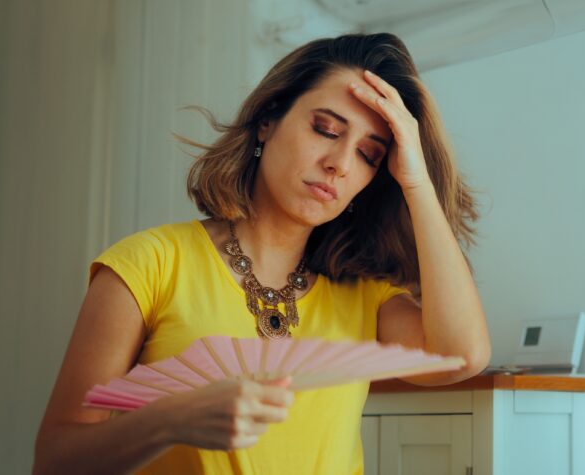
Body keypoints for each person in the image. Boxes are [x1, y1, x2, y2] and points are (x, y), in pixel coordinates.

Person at [33, 33, 491, 474]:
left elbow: (463, 356)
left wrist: (416, 180)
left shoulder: (365, 295)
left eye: (370, 155)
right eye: (326, 129)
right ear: (267, 120)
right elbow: (54, 462)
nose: (341, 163)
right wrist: (169, 421)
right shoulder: (149, 264)